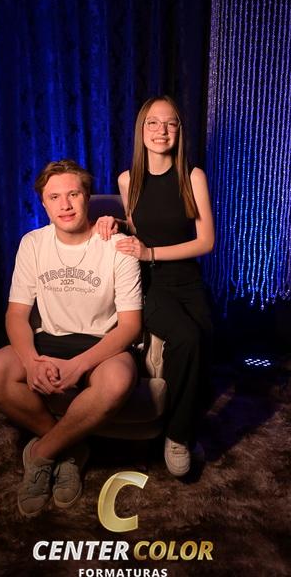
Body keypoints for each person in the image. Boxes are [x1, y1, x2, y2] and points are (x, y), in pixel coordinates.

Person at [0, 159, 142, 517]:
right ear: (43, 203)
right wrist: (31, 361)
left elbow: (130, 326)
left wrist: (79, 365)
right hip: (49, 339)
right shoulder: (33, 243)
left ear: (88, 197)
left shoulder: (118, 245)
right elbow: (16, 315)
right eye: (54, 197)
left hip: (102, 344)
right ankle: (71, 449)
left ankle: (42, 453)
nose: (65, 205)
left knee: (117, 382)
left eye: (73, 194)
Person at [96, 95, 215, 477]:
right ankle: (177, 437)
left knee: (206, 341)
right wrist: (115, 223)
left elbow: (206, 242)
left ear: (179, 131)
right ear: (141, 131)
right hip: (150, 283)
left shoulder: (193, 177)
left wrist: (150, 251)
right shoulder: (127, 179)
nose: (161, 130)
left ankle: (184, 421)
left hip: (188, 280)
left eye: (170, 123)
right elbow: (138, 227)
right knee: (186, 337)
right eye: (153, 123)